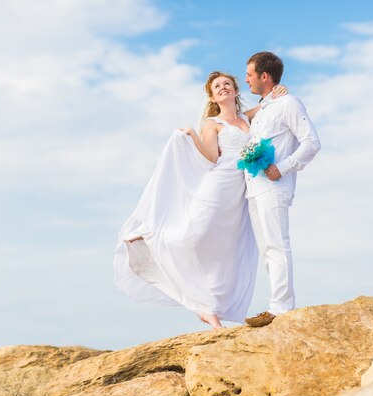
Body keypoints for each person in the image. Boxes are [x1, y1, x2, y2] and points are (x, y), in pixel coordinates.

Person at [113, 71, 285, 329]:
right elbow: (210, 157)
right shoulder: (212, 123)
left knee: (223, 250)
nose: (223, 87)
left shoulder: (247, 118)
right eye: (218, 86)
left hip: (241, 190)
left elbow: (270, 104)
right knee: (195, 234)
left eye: (227, 84)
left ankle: (208, 308)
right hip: (219, 183)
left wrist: (279, 91)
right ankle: (149, 238)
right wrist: (192, 134)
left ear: (236, 91)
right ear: (213, 96)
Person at [243, 51, 321, 328]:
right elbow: (235, 117)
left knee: (277, 245)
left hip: (274, 186)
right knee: (267, 249)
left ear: (264, 76)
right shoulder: (265, 106)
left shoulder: (289, 103)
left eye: (250, 74)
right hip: (253, 188)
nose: (246, 80)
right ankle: (275, 305)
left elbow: (311, 142)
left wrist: (284, 166)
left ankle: (282, 309)